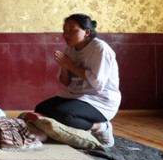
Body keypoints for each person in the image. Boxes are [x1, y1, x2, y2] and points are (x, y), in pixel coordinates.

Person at [34, 13, 121, 148]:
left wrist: (71, 66)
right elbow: (66, 82)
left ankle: (101, 128)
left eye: (71, 30)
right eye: (64, 30)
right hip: (77, 96)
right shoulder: (70, 49)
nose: (66, 34)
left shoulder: (99, 48)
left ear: (87, 32)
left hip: (100, 99)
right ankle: (68, 133)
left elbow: (97, 83)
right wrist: (64, 67)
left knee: (63, 115)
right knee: (41, 109)